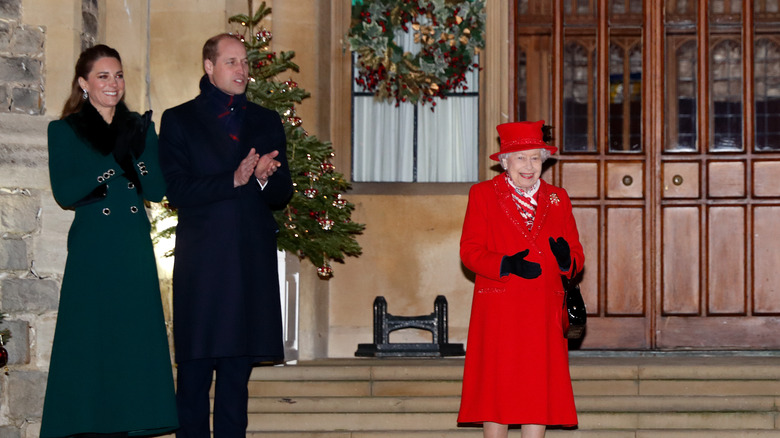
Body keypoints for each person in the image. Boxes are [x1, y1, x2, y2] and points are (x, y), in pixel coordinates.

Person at [158, 33, 293, 438]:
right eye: (232, 62)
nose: (242, 70)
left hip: (249, 264)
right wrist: (232, 179)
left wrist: (267, 179)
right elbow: (177, 190)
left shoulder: (265, 120)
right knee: (195, 378)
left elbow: (282, 193)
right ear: (209, 67)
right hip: (204, 267)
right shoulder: (179, 119)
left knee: (236, 382)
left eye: (245, 62)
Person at [41, 44, 178, 438]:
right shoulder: (64, 130)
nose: (113, 83)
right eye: (103, 76)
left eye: (118, 75)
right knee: (90, 342)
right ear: (83, 83)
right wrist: (111, 165)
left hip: (132, 245)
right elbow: (66, 192)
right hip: (93, 249)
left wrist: (136, 154)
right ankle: (85, 425)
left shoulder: (139, 126)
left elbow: (154, 189)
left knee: (132, 342)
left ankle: (133, 421)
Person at [457, 120, 585, 438]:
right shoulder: (483, 195)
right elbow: (469, 251)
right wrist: (505, 263)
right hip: (500, 307)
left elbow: (576, 253)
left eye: (535, 158)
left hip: (544, 307)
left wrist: (568, 260)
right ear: (504, 161)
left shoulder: (558, 198)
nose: (528, 166)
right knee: (497, 386)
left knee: (536, 386)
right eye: (520, 158)